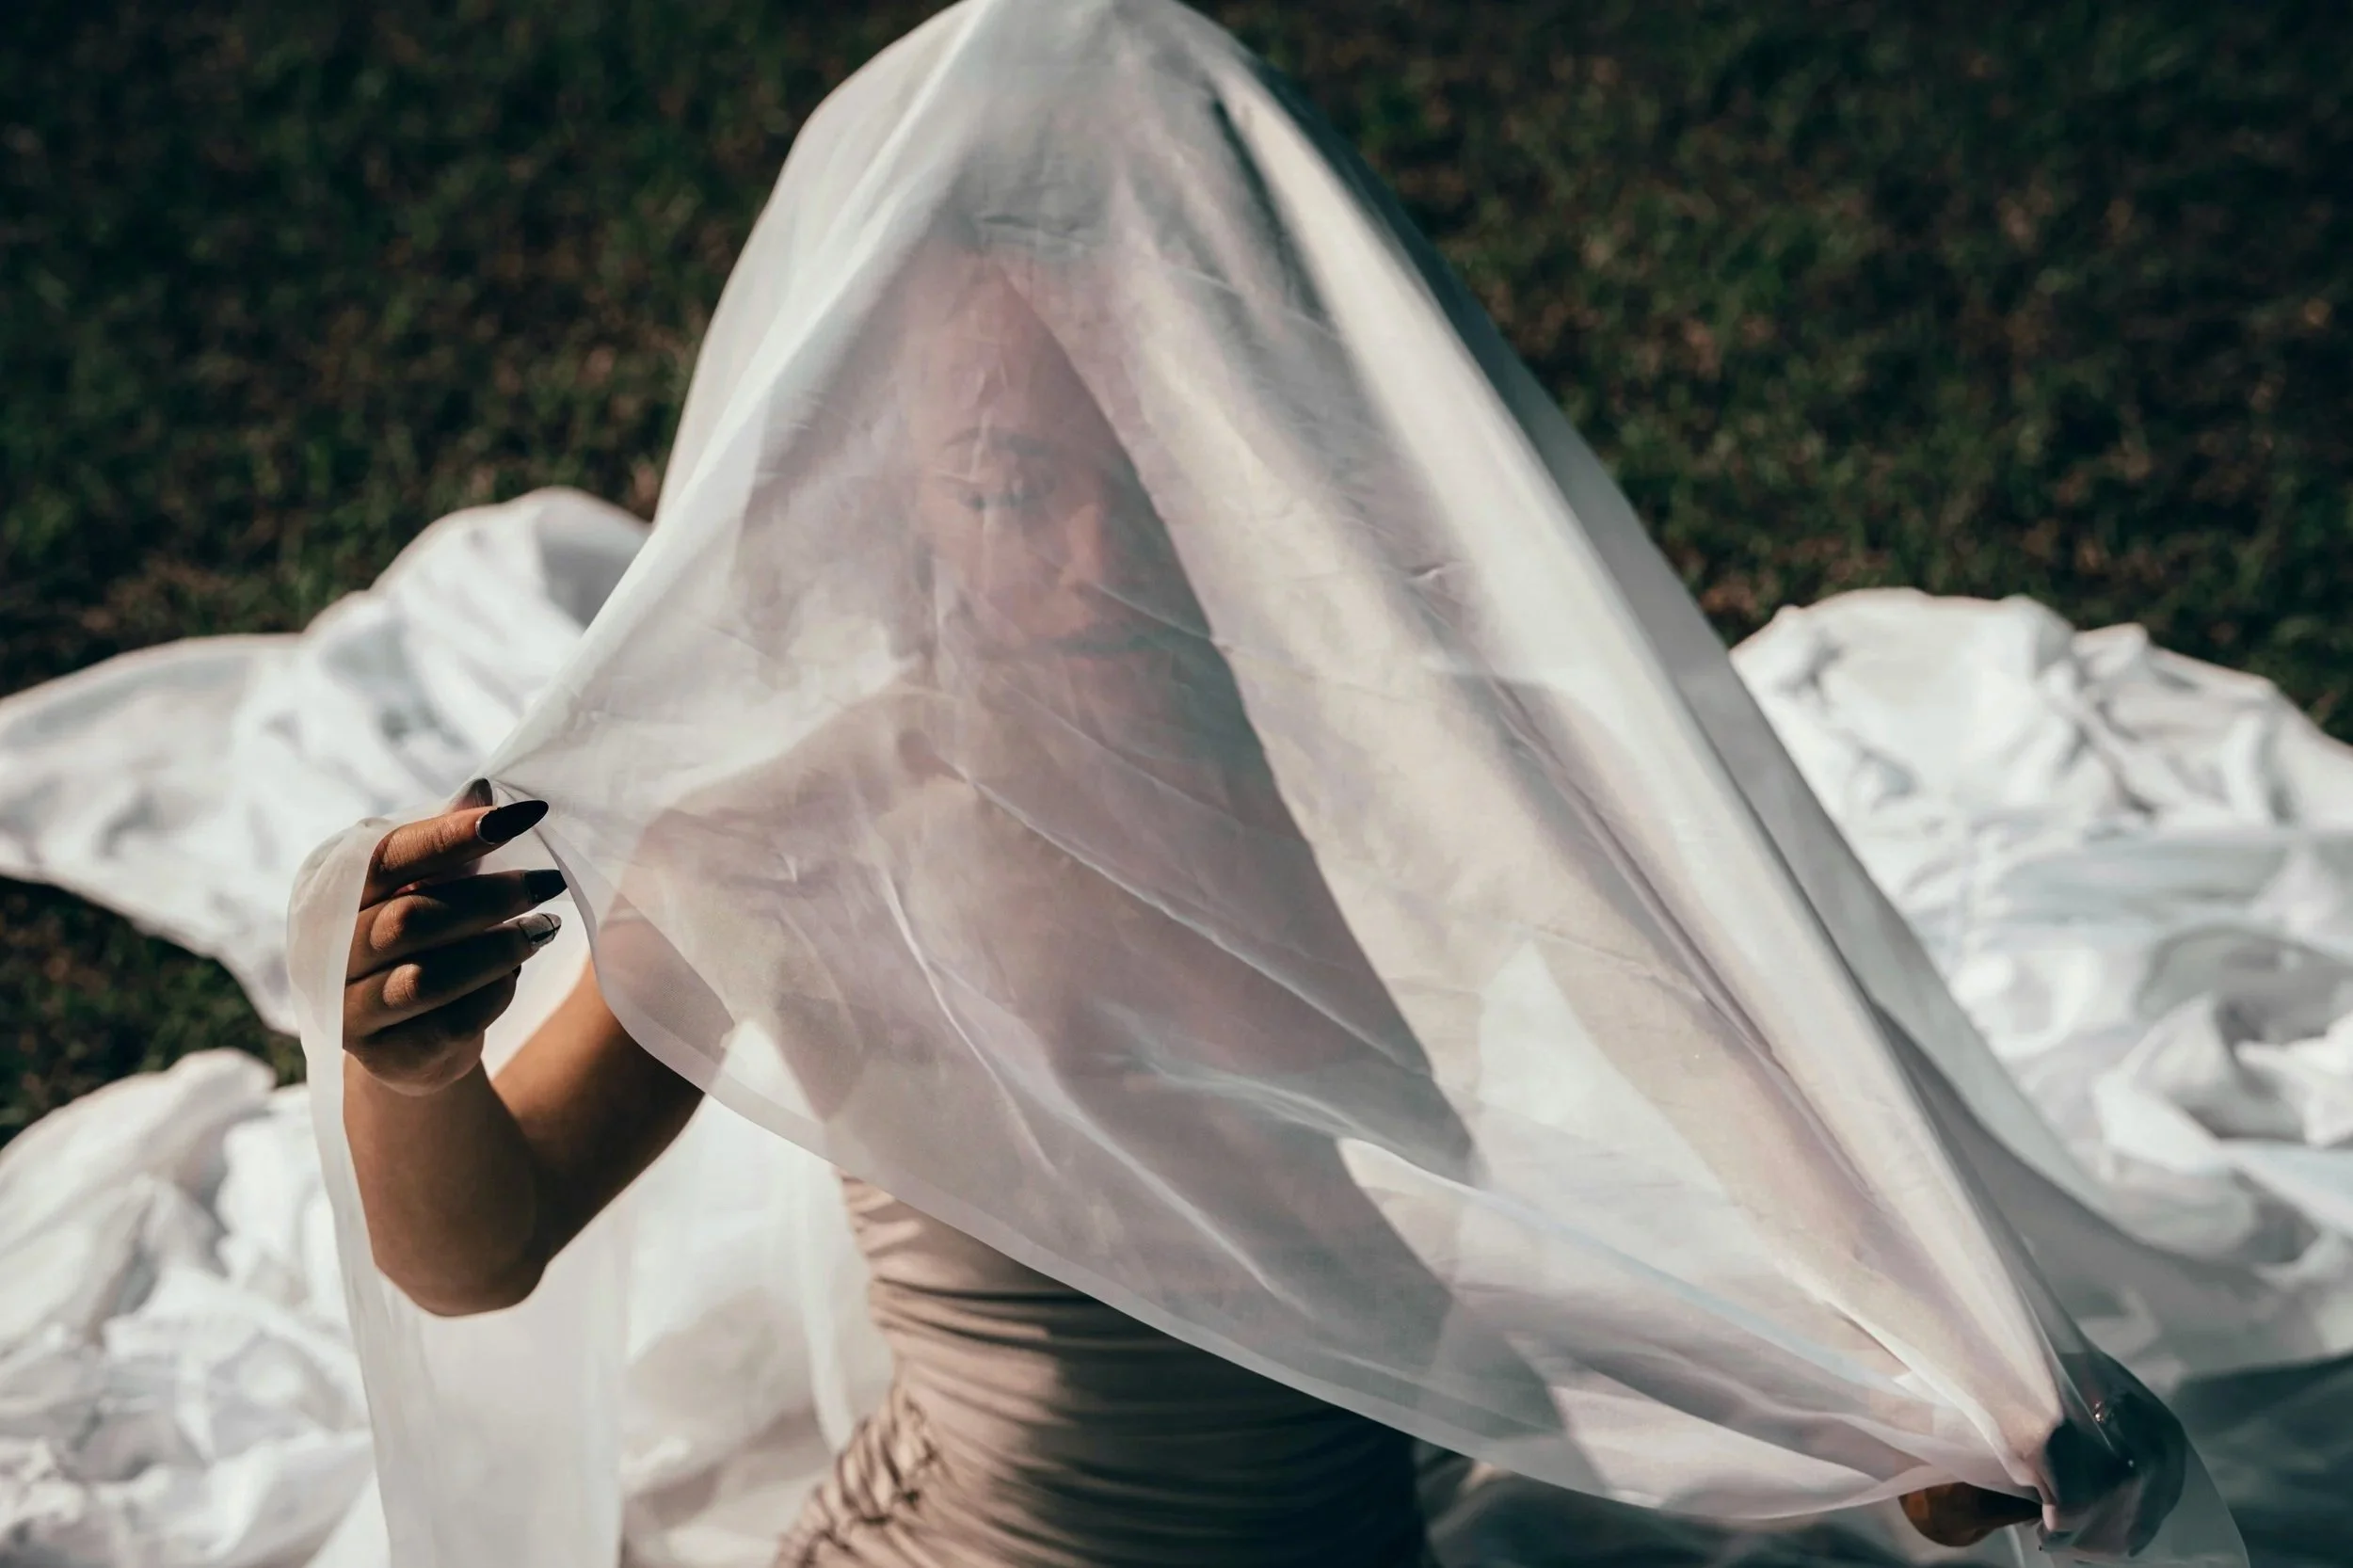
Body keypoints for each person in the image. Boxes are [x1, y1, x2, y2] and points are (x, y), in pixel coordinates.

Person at [333, 236, 2042, 1562]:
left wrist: (1938, 1393)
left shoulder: (1416, 779)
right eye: (1008, 486)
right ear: (897, 501)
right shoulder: (803, 838)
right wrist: (416, 1080)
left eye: (1146, 459)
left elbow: (1755, 1120)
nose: (1095, 556)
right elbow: (481, 1254)